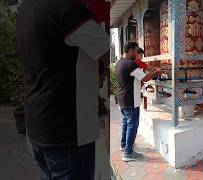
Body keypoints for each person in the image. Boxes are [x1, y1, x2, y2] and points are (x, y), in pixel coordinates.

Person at [16, 0, 109, 179]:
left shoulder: (27, 7)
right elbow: (106, 49)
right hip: (66, 131)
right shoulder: (66, 9)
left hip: (39, 124)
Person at [115, 42, 163, 162]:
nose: (137, 53)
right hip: (131, 101)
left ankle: (123, 145)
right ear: (131, 51)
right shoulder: (130, 64)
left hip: (122, 100)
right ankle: (128, 153)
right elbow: (145, 78)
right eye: (136, 51)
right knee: (133, 125)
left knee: (126, 123)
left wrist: (150, 69)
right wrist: (156, 72)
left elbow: (141, 69)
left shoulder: (119, 63)